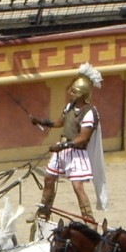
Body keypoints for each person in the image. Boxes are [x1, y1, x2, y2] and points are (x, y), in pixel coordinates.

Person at [30, 62, 108, 223]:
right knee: (49, 178)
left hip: (77, 152)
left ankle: (89, 219)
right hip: (63, 150)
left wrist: (62, 146)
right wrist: (42, 122)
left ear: (81, 93)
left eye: (73, 91)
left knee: (77, 187)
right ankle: (44, 212)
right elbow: (60, 122)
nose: (69, 93)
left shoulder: (90, 113)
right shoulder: (70, 106)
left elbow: (83, 138)